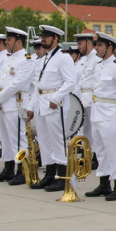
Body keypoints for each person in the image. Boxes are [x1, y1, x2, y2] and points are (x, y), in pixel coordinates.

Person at [85, 33, 116, 200]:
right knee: (100, 150)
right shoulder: (98, 66)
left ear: (110, 48)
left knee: (113, 150)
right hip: (97, 111)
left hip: (109, 112)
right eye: (96, 45)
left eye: (100, 45)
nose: (97, 48)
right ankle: (104, 183)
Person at [26, 25, 77, 191]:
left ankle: (62, 176)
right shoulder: (43, 59)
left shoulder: (63, 58)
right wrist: (31, 107)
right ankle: (49, 174)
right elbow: (38, 85)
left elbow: (70, 82)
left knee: (56, 140)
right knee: (44, 140)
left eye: (47, 36)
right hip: (42, 102)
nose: (43, 39)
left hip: (56, 104)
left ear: (56, 39)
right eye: (42, 36)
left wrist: (56, 98)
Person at [0, 27, 35, 183]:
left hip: (16, 103)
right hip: (3, 104)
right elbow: (0, 80)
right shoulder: (8, 59)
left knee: (18, 139)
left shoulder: (26, 59)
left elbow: (17, 83)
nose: (6, 42)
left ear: (19, 41)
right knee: (6, 139)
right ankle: (8, 168)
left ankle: (22, 170)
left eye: (9, 40)